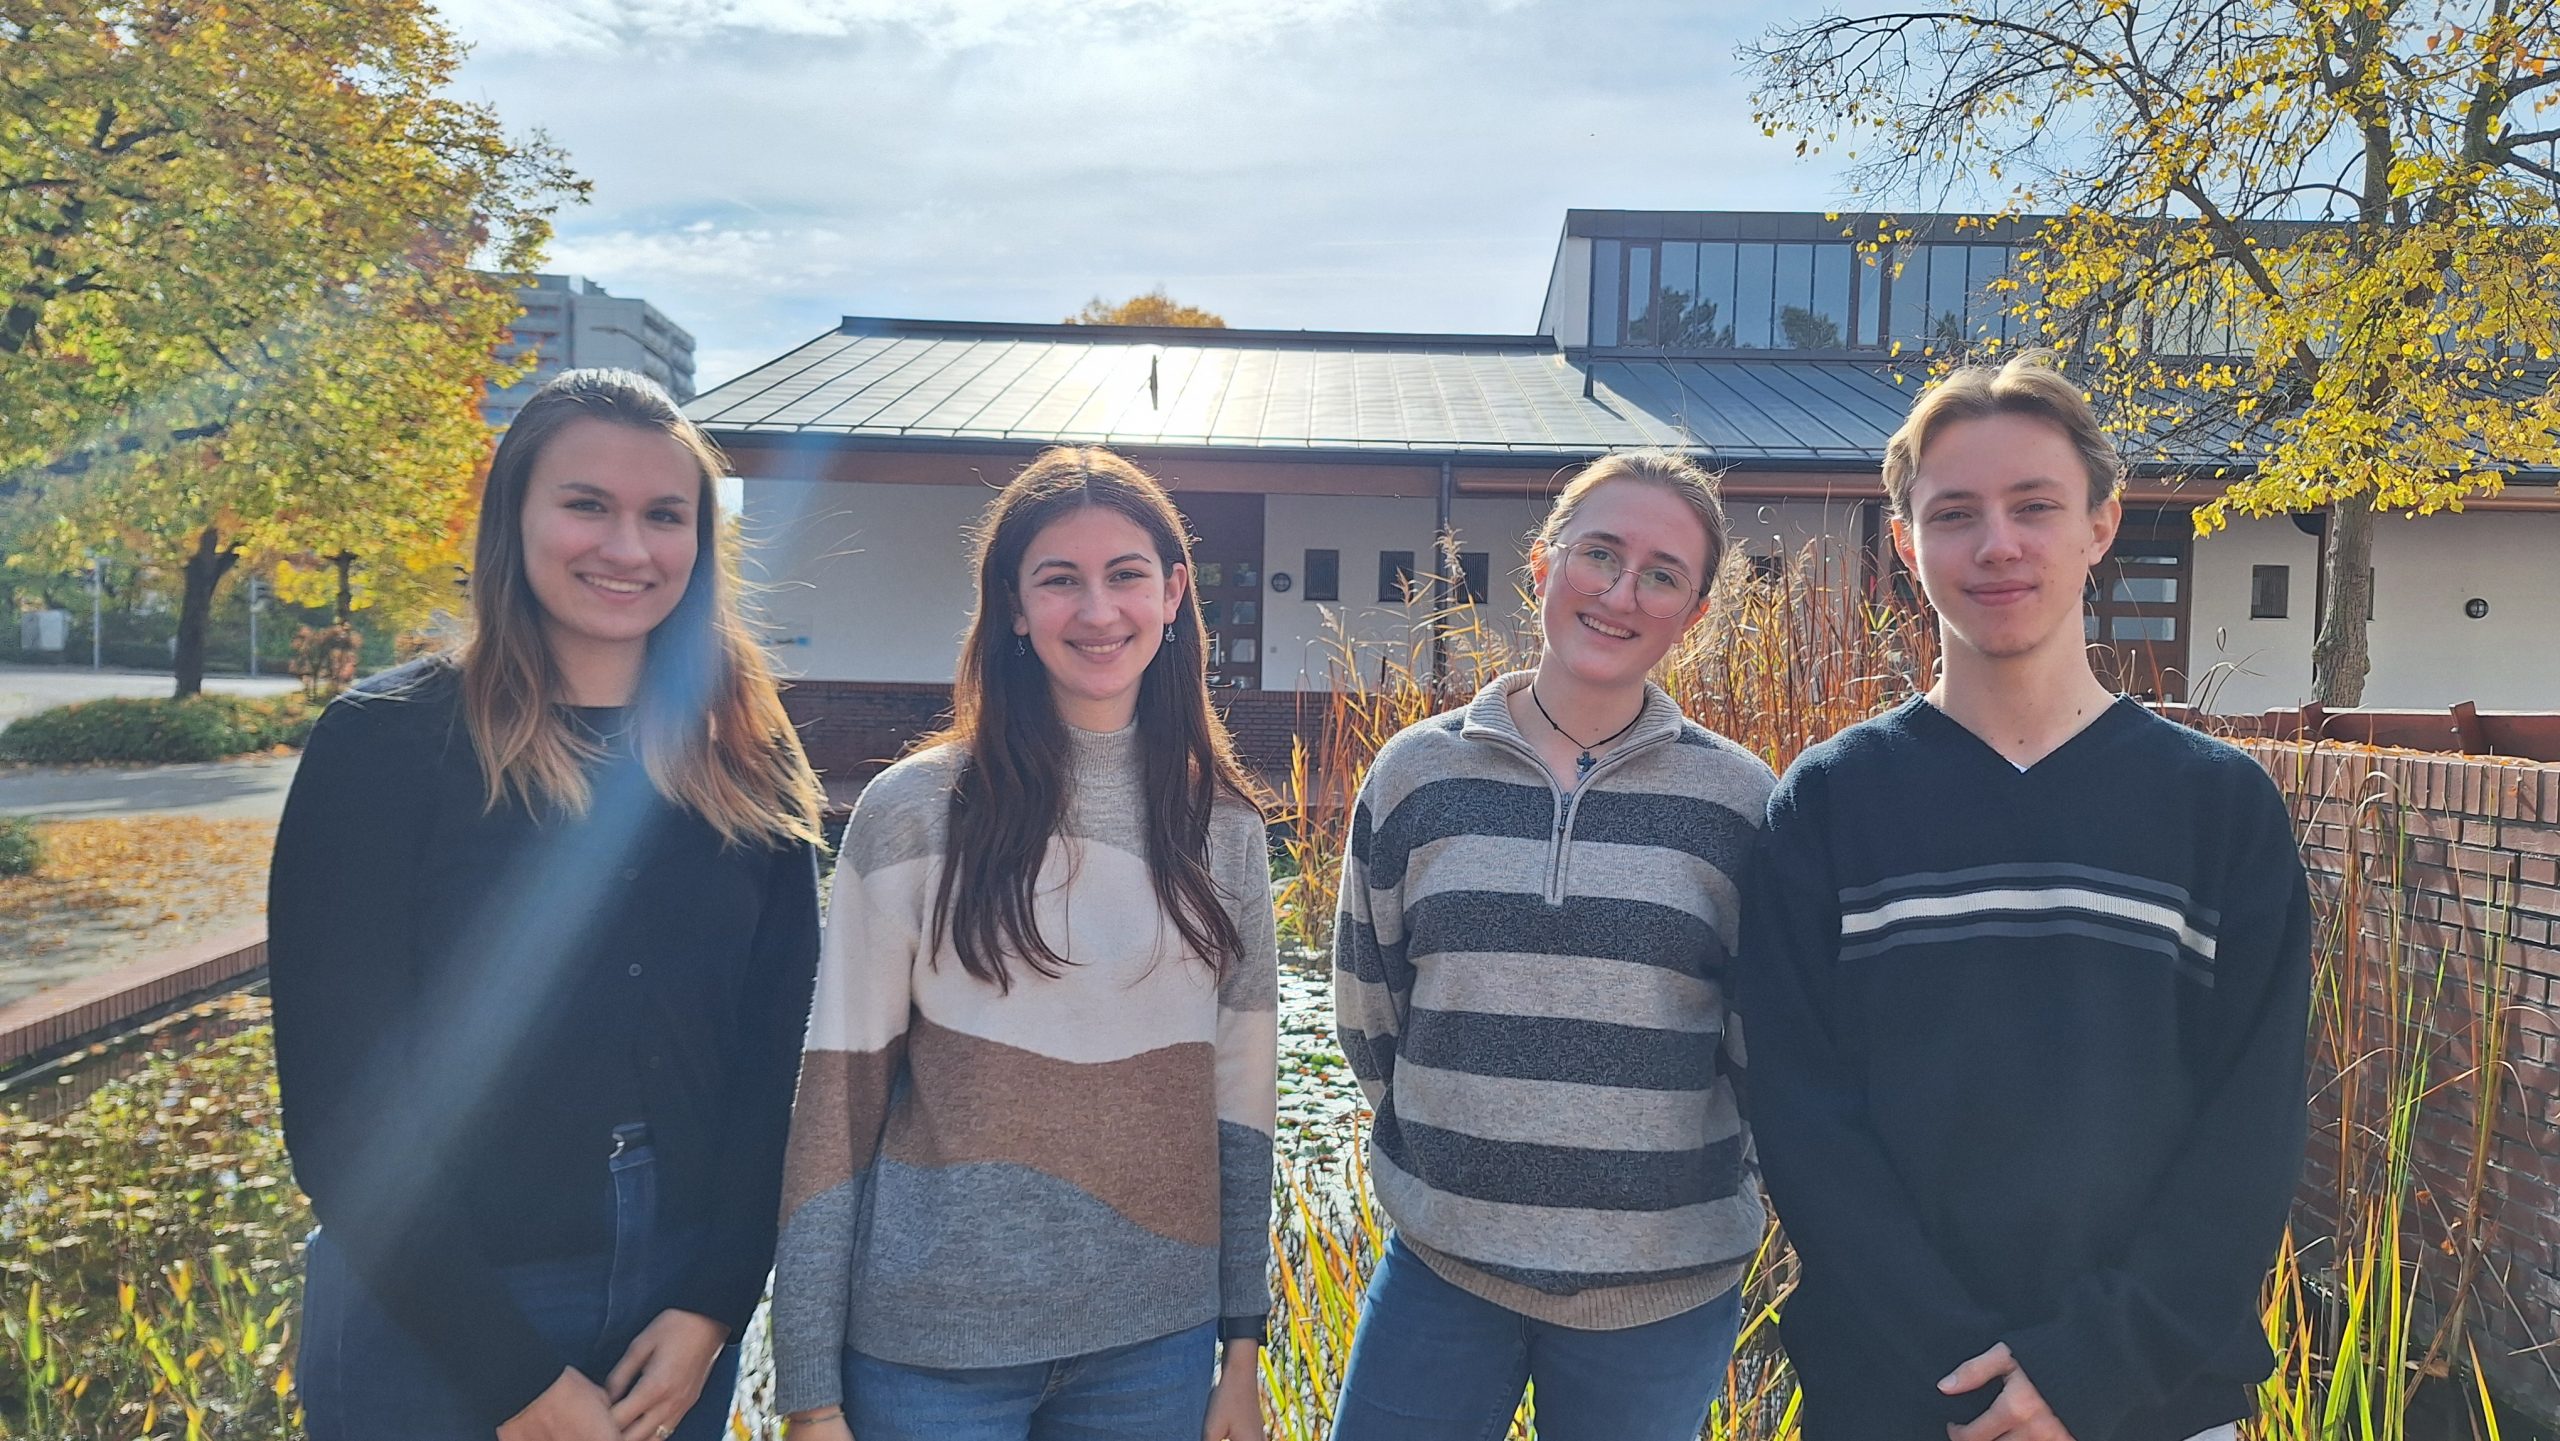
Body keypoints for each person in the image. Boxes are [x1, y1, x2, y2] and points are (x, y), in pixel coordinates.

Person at [1743, 352, 2313, 1441]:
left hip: (2155, 1400)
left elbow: (2253, 1124)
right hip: (1894, 1399)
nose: (1995, 544)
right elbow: (1805, 1125)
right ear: (1906, 542)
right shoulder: (1826, 805)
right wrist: (1968, 1371)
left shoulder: (2218, 807)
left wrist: (2087, 1366)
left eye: (2033, 506)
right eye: (1954, 513)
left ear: (2100, 524)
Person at [268, 369, 826, 1441]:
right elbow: (341, 1102)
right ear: (513, 515)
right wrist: (508, 1373)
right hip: (432, 1310)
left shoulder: (745, 750)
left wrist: (717, 1297)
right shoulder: (386, 745)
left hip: (669, 1316)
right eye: (586, 504)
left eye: (665, 515)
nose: (629, 547)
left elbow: (778, 1053)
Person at [771, 445, 1275, 1441]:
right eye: (1059, 579)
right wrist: (808, 1390)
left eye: (1126, 574)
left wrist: (1242, 1349)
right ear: (1011, 605)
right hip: (932, 1351)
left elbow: (1243, 1104)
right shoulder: (912, 812)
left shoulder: (1224, 828)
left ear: (1173, 594)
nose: (1097, 610)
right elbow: (838, 1092)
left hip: (1153, 1346)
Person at [1328, 451, 1773, 1441]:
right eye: (1598, 554)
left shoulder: (1741, 803)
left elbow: (1760, 1044)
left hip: (1660, 1293)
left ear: (1692, 611)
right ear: (1541, 564)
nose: (1620, 592)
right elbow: (1370, 1010)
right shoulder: (1416, 775)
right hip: (1445, 1269)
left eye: (1661, 573)